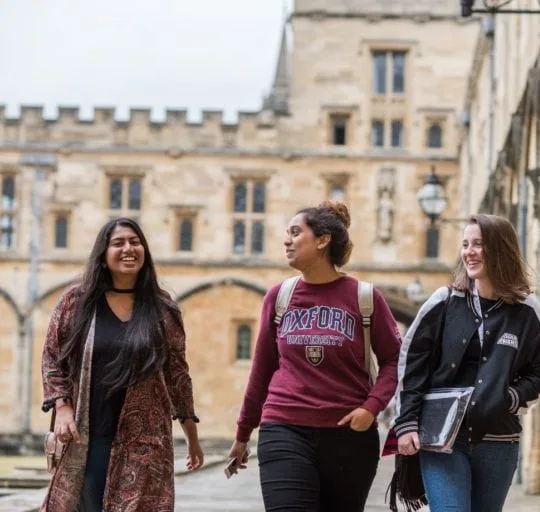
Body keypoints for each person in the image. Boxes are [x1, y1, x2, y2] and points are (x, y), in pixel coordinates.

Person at [228, 200, 402, 512]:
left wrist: (371, 408)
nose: (287, 240)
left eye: (296, 233)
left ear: (322, 240)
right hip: (283, 427)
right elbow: (262, 368)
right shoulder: (279, 297)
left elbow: (393, 360)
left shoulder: (365, 298)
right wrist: (243, 433)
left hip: (349, 436)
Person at [40, 217, 203, 512]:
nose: (128, 248)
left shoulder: (163, 308)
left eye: (135, 241)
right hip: (87, 435)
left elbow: (178, 374)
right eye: (118, 243)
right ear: (103, 255)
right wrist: (62, 407)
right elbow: (53, 356)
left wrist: (192, 437)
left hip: (145, 441)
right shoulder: (75, 303)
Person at [393, 214, 540, 512]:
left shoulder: (528, 310)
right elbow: (411, 363)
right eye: (466, 244)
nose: (469, 251)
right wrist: (406, 422)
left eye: (479, 244)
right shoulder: (444, 302)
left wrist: (508, 398)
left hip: (499, 441)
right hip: (441, 439)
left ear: (501, 248)